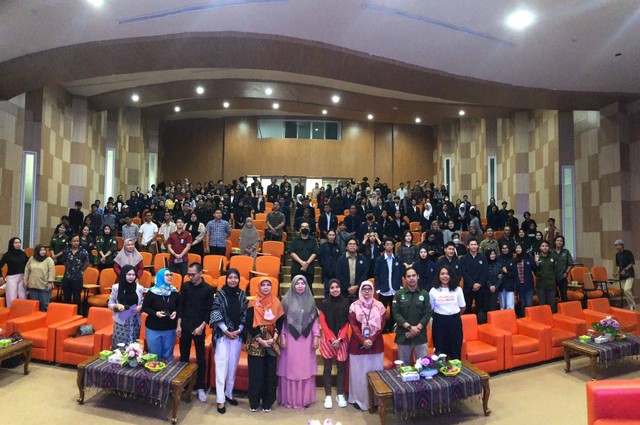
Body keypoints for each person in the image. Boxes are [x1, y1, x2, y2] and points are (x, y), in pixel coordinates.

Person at [277, 275, 320, 410]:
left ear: (306, 285)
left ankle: (304, 399)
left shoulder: (311, 301)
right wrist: (282, 336)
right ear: (293, 285)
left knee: (304, 368)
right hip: (290, 339)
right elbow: (282, 322)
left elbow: (314, 321)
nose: (300, 286)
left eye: (303, 283)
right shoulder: (285, 301)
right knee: (290, 368)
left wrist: (316, 336)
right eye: (297, 283)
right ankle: (290, 399)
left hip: (306, 341)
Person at [210, 268, 248, 414]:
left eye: (235, 278)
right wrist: (226, 330)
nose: (233, 280)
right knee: (221, 366)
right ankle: (220, 400)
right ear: (226, 279)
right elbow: (215, 312)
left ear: (239, 279)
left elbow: (245, 313)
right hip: (222, 335)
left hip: (237, 335)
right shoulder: (220, 294)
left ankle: (229, 394)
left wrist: (239, 329)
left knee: (232, 367)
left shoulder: (242, 295)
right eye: (230, 277)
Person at [177, 263, 215, 403]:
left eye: (193, 274)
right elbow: (181, 306)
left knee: (201, 359)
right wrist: (179, 325)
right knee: (184, 357)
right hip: (185, 325)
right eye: (189, 274)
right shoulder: (186, 286)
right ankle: (183, 385)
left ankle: (200, 387)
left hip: (199, 328)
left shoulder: (208, 289)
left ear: (200, 273)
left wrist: (202, 327)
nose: (190, 277)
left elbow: (208, 311)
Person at [246, 278, 284, 412]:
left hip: (272, 342)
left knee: (270, 373)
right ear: (259, 287)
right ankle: (254, 402)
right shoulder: (252, 303)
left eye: (268, 285)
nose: (266, 287)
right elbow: (249, 323)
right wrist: (260, 339)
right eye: (263, 285)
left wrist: (274, 337)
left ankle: (268, 402)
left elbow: (280, 321)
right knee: (256, 373)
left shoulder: (276, 302)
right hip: (256, 342)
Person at [348, 281, 385, 410]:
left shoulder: (379, 306)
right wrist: (363, 340)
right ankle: (359, 399)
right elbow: (353, 326)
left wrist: (372, 339)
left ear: (373, 290)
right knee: (359, 374)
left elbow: (382, 325)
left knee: (375, 373)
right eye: (364, 289)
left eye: (369, 289)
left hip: (376, 345)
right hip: (358, 346)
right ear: (360, 291)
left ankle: (375, 400)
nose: (367, 291)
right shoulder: (354, 306)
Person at [318, 279, 350, 409]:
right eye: (332, 287)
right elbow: (323, 323)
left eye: (337, 287)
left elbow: (347, 323)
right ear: (329, 289)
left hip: (341, 339)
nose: (335, 289)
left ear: (340, 288)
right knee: (327, 368)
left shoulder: (346, 303)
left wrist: (340, 339)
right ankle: (328, 395)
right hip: (328, 339)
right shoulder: (324, 304)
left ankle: (340, 393)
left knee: (341, 367)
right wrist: (332, 339)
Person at [392, 268, 432, 365]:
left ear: (418, 277)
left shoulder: (425, 294)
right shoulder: (398, 294)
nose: (411, 278)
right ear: (404, 278)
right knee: (403, 367)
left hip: (420, 335)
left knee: (423, 365)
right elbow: (396, 314)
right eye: (408, 276)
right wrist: (410, 328)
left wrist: (416, 329)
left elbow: (427, 313)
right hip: (403, 335)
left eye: (413, 275)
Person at [142, 268, 179, 360]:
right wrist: (155, 313)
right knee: (154, 356)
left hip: (170, 328)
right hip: (154, 328)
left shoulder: (174, 292)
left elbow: (179, 306)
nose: (170, 277)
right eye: (167, 275)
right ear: (160, 277)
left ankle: (168, 374)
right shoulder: (152, 292)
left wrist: (176, 312)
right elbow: (145, 307)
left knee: (168, 356)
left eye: (171, 275)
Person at [429, 265, 466, 359]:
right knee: (440, 351)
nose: (445, 276)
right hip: (439, 323)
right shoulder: (433, 291)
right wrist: (441, 316)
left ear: (451, 276)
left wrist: (453, 316)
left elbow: (462, 307)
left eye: (447, 274)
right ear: (438, 276)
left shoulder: (458, 289)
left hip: (454, 322)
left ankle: (456, 371)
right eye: (442, 274)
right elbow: (431, 309)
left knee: (455, 349)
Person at [108, 264, 144, 348]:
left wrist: (140, 307)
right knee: (119, 346)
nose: (131, 277)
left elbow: (142, 302)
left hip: (135, 320)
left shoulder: (140, 288)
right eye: (129, 274)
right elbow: (110, 303)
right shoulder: (116, 287)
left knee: (133, 347)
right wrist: (117, 305)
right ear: (124, 274)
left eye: (133, 275)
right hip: (121, 320)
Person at [374, 237, 405, 332]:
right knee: (382, 312)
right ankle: (382, 330)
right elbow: (376, 274)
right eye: (387, 244)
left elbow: (401, 273)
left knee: (394, 312)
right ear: (384, 246)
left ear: (393, 246)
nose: (389, 246)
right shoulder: (379, 260)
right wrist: (378, 289)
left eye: (391, 244)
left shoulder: (398, 259)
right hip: (383, 290)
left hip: (395, 290)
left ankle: (392, 329)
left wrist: (400, 286)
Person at [61, 234, 92, 307]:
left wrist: (80, 270)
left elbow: (87, 263)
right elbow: (64, 261)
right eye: (74, 241)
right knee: (66, 299)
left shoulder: (83, 251)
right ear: (70, 242)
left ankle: (77, 315)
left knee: (77, 299)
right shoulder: (66, 251)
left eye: (77, 241)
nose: (76, 243)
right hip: (67, 278)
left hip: (78, 278)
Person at [460, 239, 488, 319]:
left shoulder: (483, 258)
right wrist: (473, 284)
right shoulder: (464, 258)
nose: (473, 246)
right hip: (469, 287)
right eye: (471, 245)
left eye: (475, 244)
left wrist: (479, 284)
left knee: (480, 308)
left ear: (478, 246)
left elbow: (485, 272)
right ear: (468, 246)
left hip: (480, 287)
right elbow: (464, 273)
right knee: (467, 308)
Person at [507, 243, 537, 317]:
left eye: (520, 248)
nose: (518, 249)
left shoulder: (528, 258)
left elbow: (536, 269)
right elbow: (512, 272)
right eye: (517, 248)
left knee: (529, 303)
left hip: (528, 285)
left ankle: (531, 318)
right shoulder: (515, 260)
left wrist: (536, 261)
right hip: (520, 285)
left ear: (523, 249)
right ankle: (524, 319)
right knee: (523, 303)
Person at [334, 237, 368, 302]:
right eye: (350, 244)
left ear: (357, 247)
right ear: (346, 247)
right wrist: (348, 287)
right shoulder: (341, 260)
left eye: (354, 244)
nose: (352, 245)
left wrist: (357, 286)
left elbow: (364, 274)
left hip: (359, 291)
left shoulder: (362, 259)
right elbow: (339, 275)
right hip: (344, 292)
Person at [24, 245, 56, 312]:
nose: (43, 252)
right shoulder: (32, 258)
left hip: (44, 285)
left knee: (44, 305)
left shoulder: (49, 260)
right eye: (41, 250)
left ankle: (45, 319)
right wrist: (25, 279)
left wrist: (50, 282)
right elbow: (27, 269)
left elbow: (52, 271)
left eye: (44, 250)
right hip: (33, 285)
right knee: (35, 305)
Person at [0, 237, 28, 308]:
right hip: (11, 277)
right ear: (11, 244)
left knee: (23, 295)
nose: (18, 244)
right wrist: (0, 276)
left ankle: (22, 311)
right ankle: (11, 311)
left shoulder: (23, 253)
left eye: (19, 242)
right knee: (11, 296)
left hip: (22, 276)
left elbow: (27, 265)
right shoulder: (7, 255)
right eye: (16, 243)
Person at [318, 229, 341, 298]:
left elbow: (339, 258)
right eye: (330, 235)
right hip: (326, 271)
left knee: (336, 289)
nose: (331, 236)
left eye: (333, 235)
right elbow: (320, 257)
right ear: (327, 236)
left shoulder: (338, 246)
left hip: (336, 272)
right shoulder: (323, 246)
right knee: (327, 289)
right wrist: (323, 265)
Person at [614, 239, 636, 310]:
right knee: (625, 291)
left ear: (622, 245)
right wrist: (617, 273)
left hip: (630, 274)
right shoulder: (617, 255)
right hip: (622, 275)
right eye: (616, 245)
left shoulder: (628, 253)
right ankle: (631, 306)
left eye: (619, 245)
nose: (617, 246)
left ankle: (633, 306)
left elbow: (632, 263)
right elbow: (618, 265)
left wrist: (625, 270)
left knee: (627, 289)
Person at [535, 241, 557, 312]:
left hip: (551, 285)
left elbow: (555, 270)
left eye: (546, 246)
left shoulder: (553, 257)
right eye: (543, 246)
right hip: (541, 285)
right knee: (542, 306)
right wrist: (536, 262)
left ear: (549, 247)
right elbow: (535, 271)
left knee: (551, 306)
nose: (544, 247)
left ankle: (552, 322)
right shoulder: (537, 258)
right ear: (540, 247)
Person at [552, 235, 573, 303]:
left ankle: (565, 311)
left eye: (561, 241)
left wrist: (566, 273)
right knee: (553, 297)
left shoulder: (566, 252)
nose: (559, 242)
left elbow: (570, 264)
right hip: (552, 277)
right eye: (557, 240)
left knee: (564, 296)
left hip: (563, 276)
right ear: (555, 242)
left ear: (563, 243)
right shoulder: (550, 252)